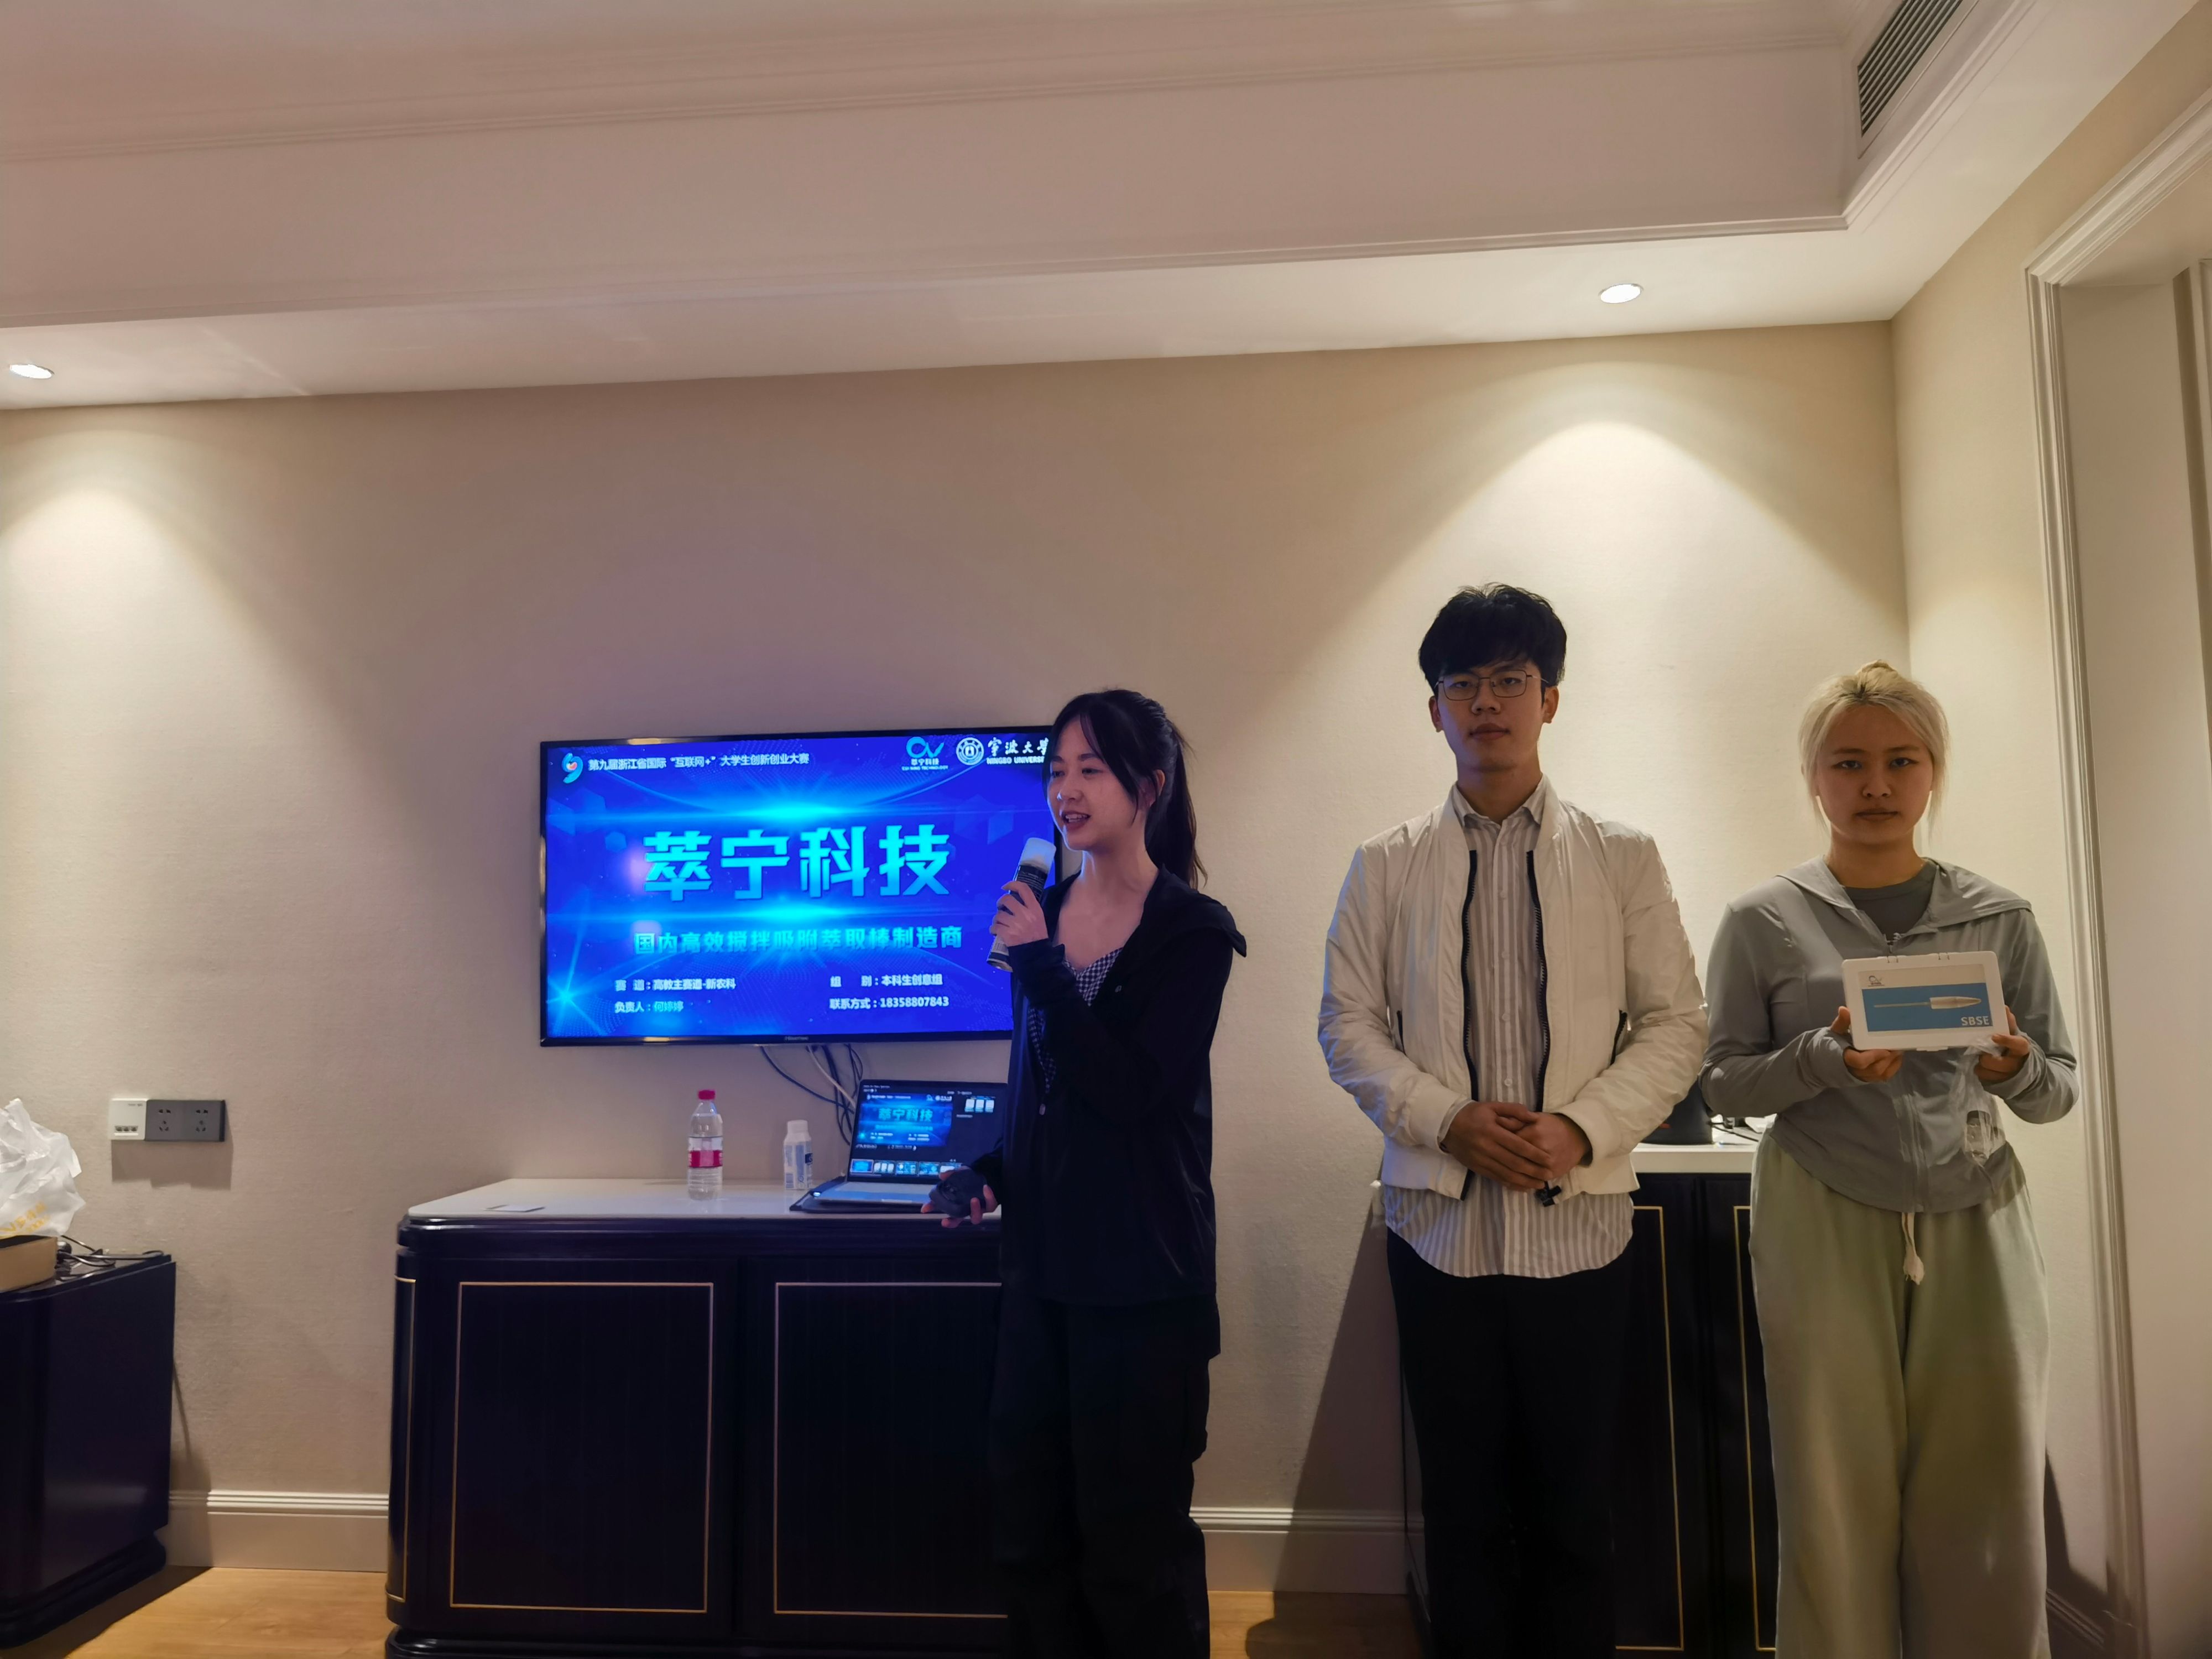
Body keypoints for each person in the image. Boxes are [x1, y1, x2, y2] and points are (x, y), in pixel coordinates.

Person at [1318, 585, 1707, 1659]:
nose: (1485, 703)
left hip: (1580, 1232)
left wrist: (1580, 1128)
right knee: (1460, 1503)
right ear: (1433, 709)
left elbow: (1676, 1022)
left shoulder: (1620, 855)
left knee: (1574, 1507)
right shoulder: (1385, 863)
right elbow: (1346, 1025)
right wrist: (1444, 1119)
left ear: (1549, 699)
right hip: (1436, 1231)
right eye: (1462, 684)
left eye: (1508, 681)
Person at [1703, 661, 2077, 1659]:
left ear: (1933, 772)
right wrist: (1823, 1060)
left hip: (1979, 1208)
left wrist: (2013, 1063)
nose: (1876, 784)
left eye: (1901, 761)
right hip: (1822, 1207)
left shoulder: (2001, 915)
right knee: (1831, 1475)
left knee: (1989, 1476)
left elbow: (2059, 1089)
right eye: (1849, 763)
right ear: (1813, 779)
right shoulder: (1761, 919)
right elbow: (1722, 1083)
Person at [927, 688, 1245, 1659]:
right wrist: (989, 1171)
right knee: (1032, 1536)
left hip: (1141, 1286)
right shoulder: (1048, 915)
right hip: (1042, 1280)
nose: (1067, 790)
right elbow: (1050, 1098)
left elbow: (1132, 1097)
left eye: (1092, 769)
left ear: (1149, 787)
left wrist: (1042, 970)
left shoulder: (1191, 933)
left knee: (1131, 1548)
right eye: (1057, 771)